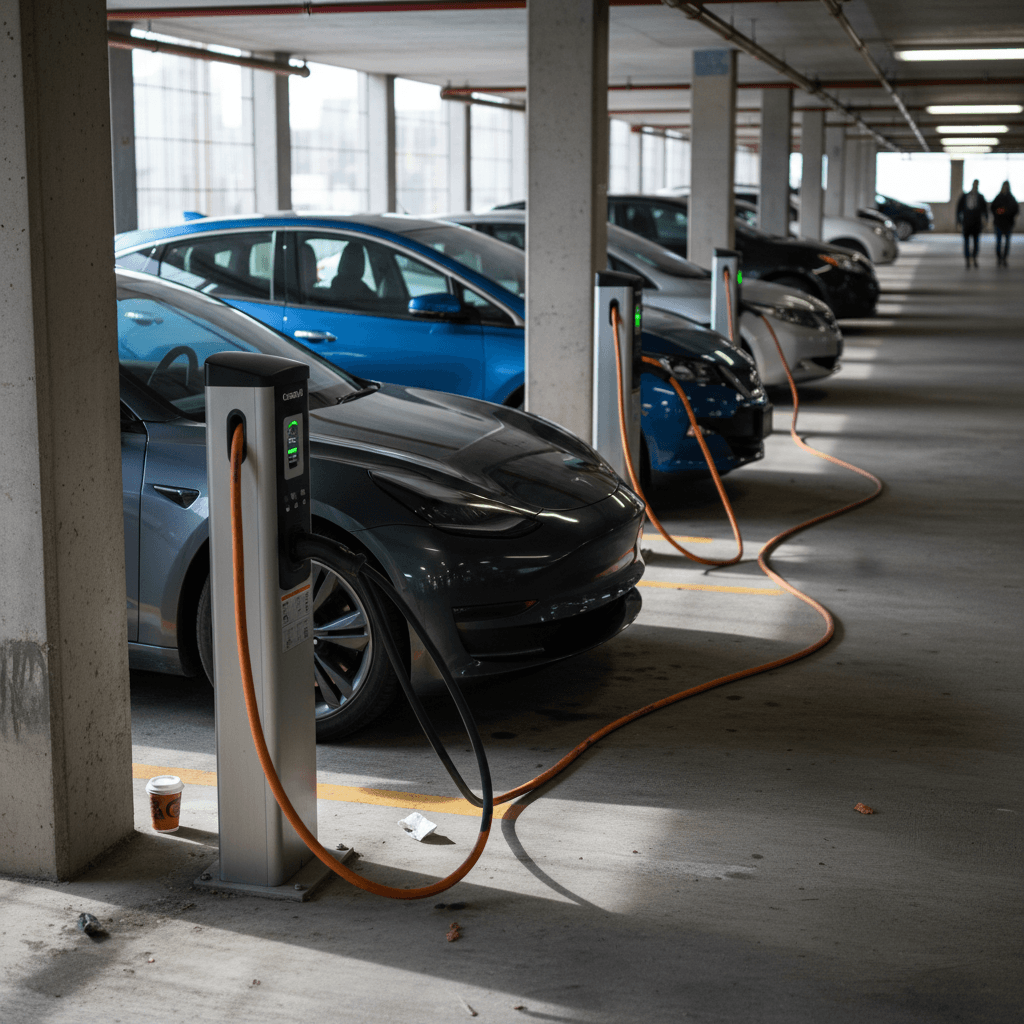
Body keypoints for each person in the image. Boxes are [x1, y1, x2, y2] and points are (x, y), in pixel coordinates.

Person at [991, 181, 1019, 266]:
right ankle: (999, 258)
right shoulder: (998, 197)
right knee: (999, 242)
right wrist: (1002, 211)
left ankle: (1004, 258)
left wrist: (1005, 211)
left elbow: (1015, 209)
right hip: (999, 223)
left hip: (1008, 224)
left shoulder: (1011, 198)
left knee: (1007, 243)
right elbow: (993, 208)